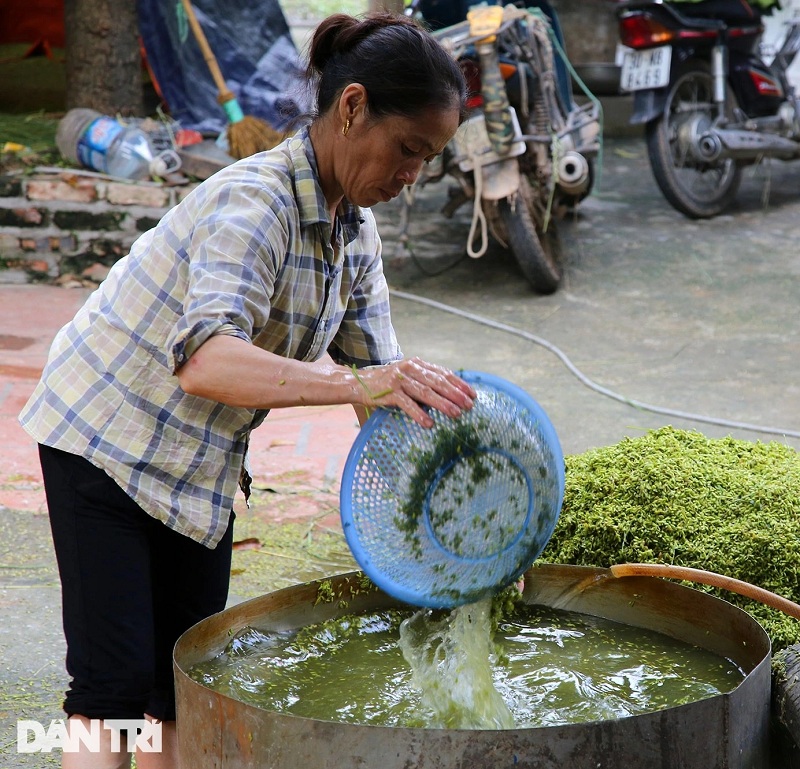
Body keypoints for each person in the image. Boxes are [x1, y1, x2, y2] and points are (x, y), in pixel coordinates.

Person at [19, 11, 473, 769]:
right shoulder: (256, 201)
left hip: (198, 460)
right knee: (114, 687)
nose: (410, 176)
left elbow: (381, 390)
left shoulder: (352, 230)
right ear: (352, 106)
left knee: (185, 679)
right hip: (103, 437)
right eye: (407, 150)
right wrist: (358, 379)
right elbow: (207, 361)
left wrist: (449, 528)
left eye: (426, 160)